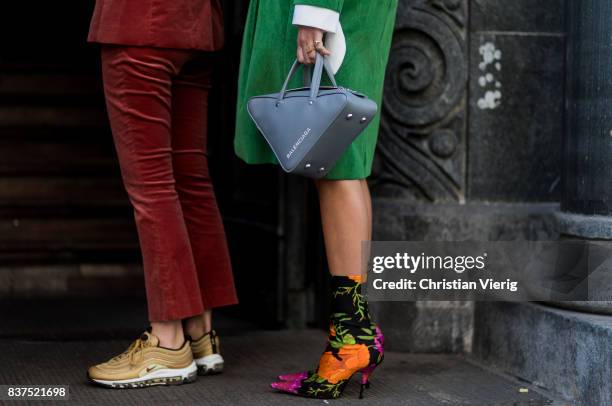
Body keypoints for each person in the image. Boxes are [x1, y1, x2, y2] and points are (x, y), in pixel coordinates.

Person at [234, 0, 398, 399]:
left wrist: (315, 13)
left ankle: (352, 338)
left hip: (331, 16)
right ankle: (352, 332)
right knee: (339, 162)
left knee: (339, 164)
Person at [85, 0, 238, 388]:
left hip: (138, 21)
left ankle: (167, 344)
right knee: (190, 180)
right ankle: (200, 333)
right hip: (195, 24)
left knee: (151, 185)